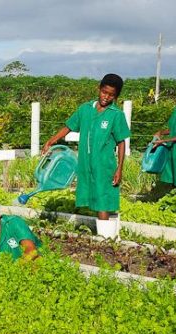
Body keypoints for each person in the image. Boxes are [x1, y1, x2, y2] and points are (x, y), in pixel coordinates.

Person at [41, 73, 131, 233]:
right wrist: (52, 140)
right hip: (86, 163)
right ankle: (110, 232)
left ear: (116, 96)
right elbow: (69, 126)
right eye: (104, 92)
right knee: (96, 197)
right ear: (99, 88)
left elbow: (121, 142)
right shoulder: (85, 109)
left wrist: (120, 168)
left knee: (103, 198)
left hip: (104, 165)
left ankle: (105, 238)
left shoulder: (116, 115)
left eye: (111, 95)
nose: (106, 97)